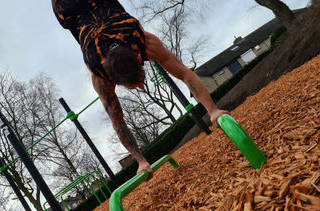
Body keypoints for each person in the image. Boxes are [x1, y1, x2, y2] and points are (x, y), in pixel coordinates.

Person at [52, 0, 228, 176]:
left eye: (140, 81)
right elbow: (118, 122)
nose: (142, 87)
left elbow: (183, 73)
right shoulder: (100, 76)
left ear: (138, 57)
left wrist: (213, 110)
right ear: (113, 80)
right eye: (135, 85)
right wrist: (140, 161)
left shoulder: (141, 40)